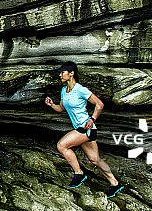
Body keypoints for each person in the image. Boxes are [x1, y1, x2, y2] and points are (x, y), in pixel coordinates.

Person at [45, 61, 124, 198]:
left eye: (63, 72)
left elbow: (99, 104)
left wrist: (92, 119)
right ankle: (115, 183)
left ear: (71, 73)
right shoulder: (64, 90)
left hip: (86, 128)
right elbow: (61, 108)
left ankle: (79, 173)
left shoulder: (81, 89)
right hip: (80, 129)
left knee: (61, 146)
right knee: (95, 160)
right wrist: (52, 105)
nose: (60, 75)